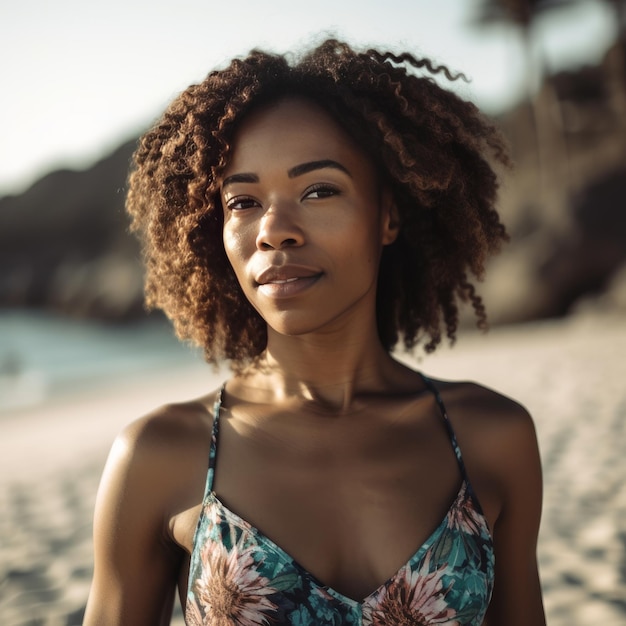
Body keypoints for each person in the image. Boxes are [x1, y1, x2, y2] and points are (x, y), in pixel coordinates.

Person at [84, 39, 546, 625]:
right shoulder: (158, 455)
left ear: (388, 215)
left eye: (318, 190)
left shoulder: (492, 437)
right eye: (244, 201)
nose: (274, 230)